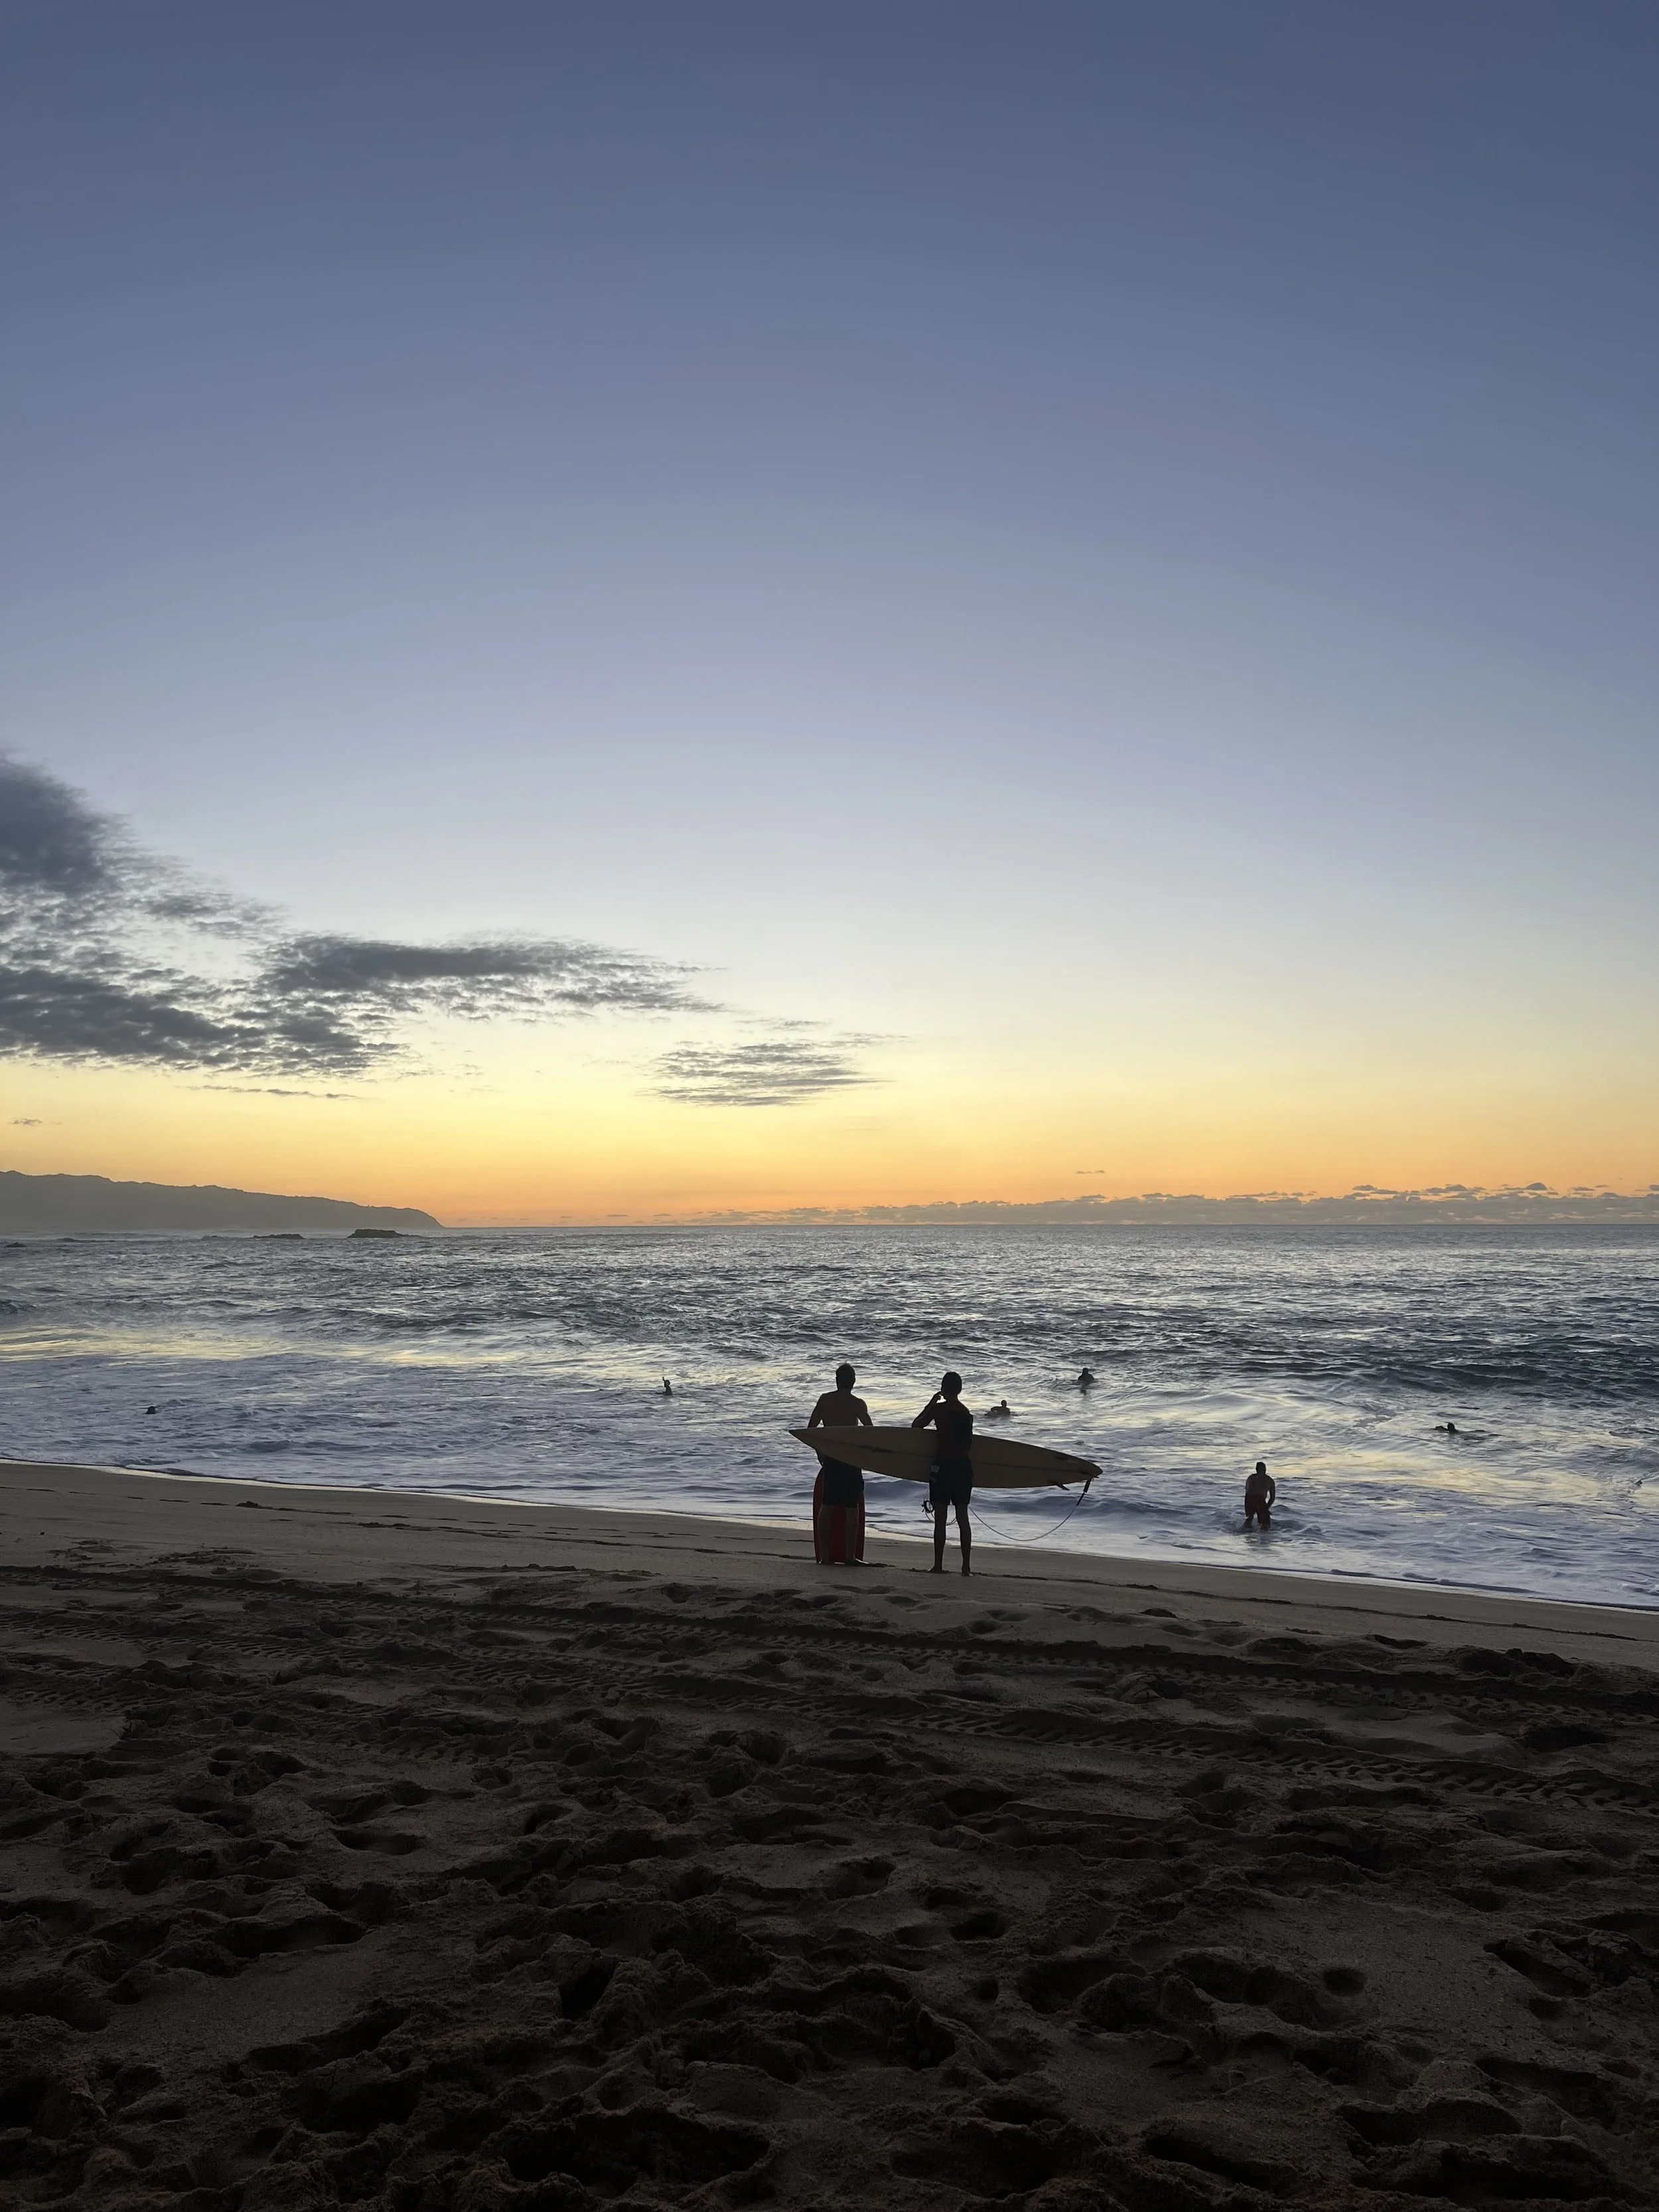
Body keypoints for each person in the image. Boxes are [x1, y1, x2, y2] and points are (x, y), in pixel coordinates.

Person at [806, 1363, 872, 1565]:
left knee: (827, 1507)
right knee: (852, 1509)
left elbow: (811, 1431)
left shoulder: (825, 1400)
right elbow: (871, 1432)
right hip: (850, 1461)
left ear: (837, 1381)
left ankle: (825, 1558)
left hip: (832, 1460)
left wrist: (821, 1453)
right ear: (853, 1382)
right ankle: (850, 1557)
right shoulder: (858, 1404)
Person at [914, 1372, 974, 1576]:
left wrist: (931, 1403)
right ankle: (966, 1568)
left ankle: (938, 1566)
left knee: (941, 1517)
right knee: (963, 1518)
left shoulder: (939, 1410)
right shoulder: (966, 1413)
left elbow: (917, 1426)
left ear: (943, 1388)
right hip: (964, 1469)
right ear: (960, 1389)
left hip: (944, 1468)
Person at [1244, 1459, 1275, 1530]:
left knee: (1250, 1519)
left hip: (1251, 1498)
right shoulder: (1269, 1480)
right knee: (1265, 1525)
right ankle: (1263, 1538)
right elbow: (1272, 1497)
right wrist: (1266, 1508)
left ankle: (1248, 1536)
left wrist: (1266, 1508)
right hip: (1256, 1499)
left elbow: (1247, 1491)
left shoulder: (1251, 1478)